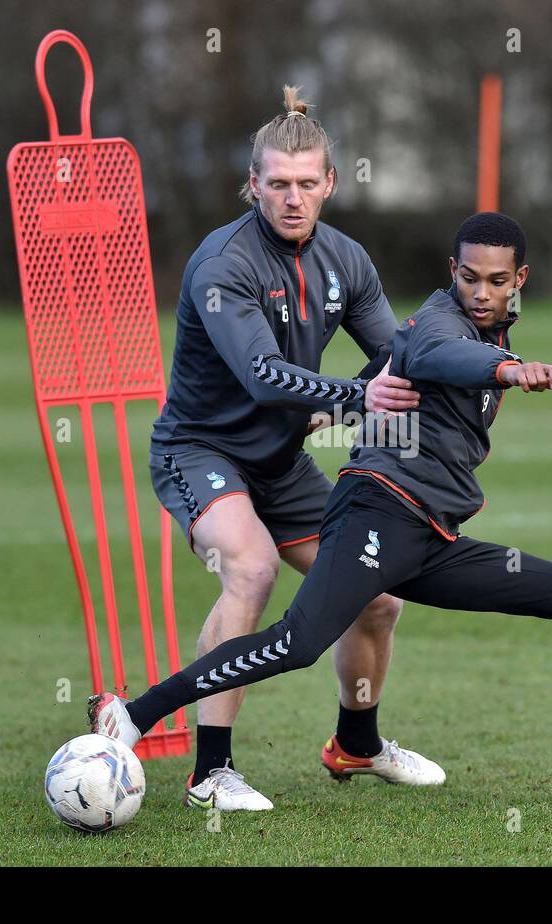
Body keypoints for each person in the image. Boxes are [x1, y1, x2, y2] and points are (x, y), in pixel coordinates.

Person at [93, 212, 552, 806]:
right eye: (470, 277)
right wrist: (506, 370)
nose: (480, 293)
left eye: (496, 280)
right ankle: (135, 715)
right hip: (376, 513)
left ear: (520, 280)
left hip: (430, 536)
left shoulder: (490, 330)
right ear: (451, 271)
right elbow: (436, 354)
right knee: (298, 643)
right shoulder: (438, 323)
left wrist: (491, 360)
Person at [144, 86, 444, 812]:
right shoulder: (224, 265)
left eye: (308, 183)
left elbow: (392, 355)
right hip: (200, 453)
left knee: (376, 597)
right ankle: (209, 772)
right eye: (277, 183)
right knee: (248, 569)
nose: (292, 198)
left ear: (331, 183)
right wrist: (346, 398)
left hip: (279, 464)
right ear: (252, 184)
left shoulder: (347, 260)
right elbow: (260, 373)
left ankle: (357, 745)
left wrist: (473, 360)